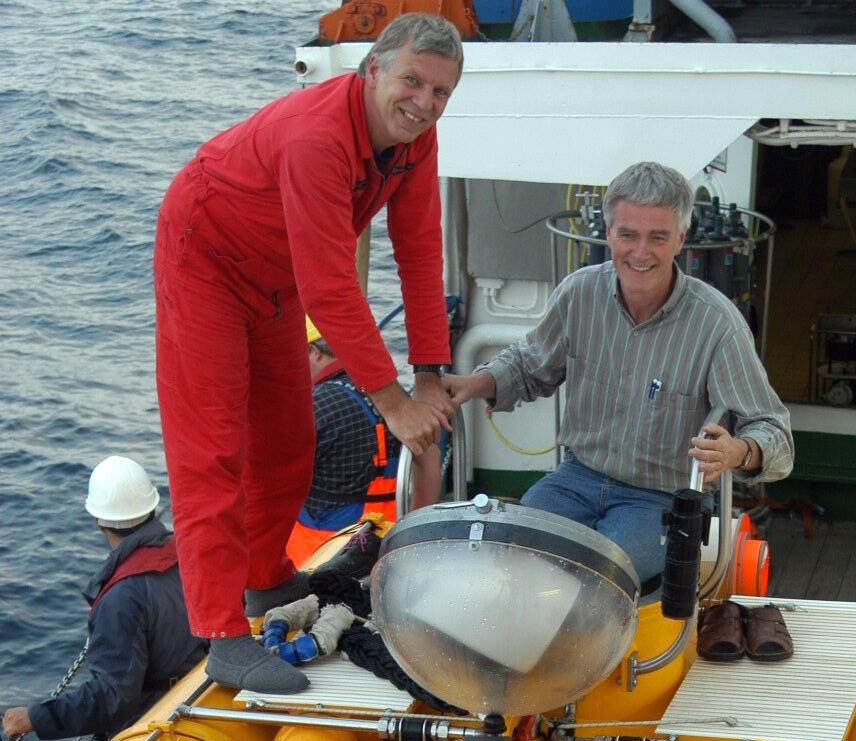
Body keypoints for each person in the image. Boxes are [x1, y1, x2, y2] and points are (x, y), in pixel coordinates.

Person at [154, 13, 463, 695]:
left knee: (289, 441)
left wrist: (429, 375)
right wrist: (394, 403)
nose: (424, 102)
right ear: (373, 69)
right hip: (205, 261)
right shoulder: (318, 136)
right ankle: (221, 636)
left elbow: (418, 252)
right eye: (412, 81)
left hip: (273, 278)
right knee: (213, 452)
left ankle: (263, 576)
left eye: (441, 92)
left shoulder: (417, 139)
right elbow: (330, 285)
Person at [444, 161, 793, 590]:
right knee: (503, 554)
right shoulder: (579, 292)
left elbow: (775, 431)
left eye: (657, 237)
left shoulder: (717, 323)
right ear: (609, 233)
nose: (640, 252)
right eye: (628, 234)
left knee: (597, 579)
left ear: (680, 239)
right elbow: (530, 363)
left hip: (657, 500)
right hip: (574, 480)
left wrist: (738, 450)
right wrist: (472, 384)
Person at [1, 457, 205, 741]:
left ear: (98, 521)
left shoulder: (122, 597)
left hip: (156, 725)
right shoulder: (187, 555)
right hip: (197, 698)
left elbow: (113, 698)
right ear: (152, 509)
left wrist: (35, 717)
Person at [289, 326, 442, 564]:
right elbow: (430, 455)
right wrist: (412, 532)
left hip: (314, 563)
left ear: (313, 351)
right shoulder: (393, 397)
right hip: (385, 550)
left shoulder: (314, 405)